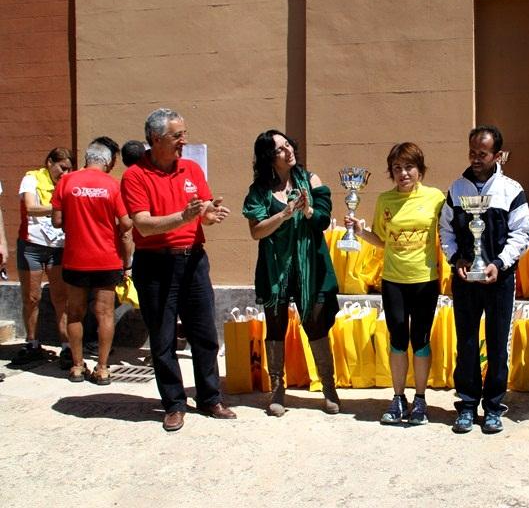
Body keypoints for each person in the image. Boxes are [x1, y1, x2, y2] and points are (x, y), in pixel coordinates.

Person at [122, 108, 235, 432]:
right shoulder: (135, 176)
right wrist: (183, 217)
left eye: (184, 134)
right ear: (156, 139)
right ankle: (173, 404)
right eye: (177, 135)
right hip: (155, 265)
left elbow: (204, 211)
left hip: (194, 261)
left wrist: (209, 215)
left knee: (205, 334)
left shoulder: (191, 168)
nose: (184, 141)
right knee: (163, 339)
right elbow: (143, 225)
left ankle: (210, 398)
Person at [345, 142, 445, 426]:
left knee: (421, 340)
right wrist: (360, 232)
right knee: (398, 340)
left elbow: (448, 232)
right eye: (397, 168)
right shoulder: (385, 200)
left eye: (409, 167)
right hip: (393, 282)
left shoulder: (436, 198)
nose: (403, 173)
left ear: (420, 170)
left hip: (425, 280)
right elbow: (382, 240)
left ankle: (421, 399)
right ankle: (398, 398)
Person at [439, 125, 529, 434]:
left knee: (497, 344)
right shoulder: (456, 189)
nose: (476, 159)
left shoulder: (511, 190)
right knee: (466, 342)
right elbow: (446, 230)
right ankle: (467, 404)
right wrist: (456, 259)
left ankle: (493, 407)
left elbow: (522, 234)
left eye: (482, 153)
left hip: (499, 281)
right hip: (465, 280)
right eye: (472, 153)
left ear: (498, 155)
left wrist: (499, 264)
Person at [242, 130, 341, 417]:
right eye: (280, 149)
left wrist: (308, 210)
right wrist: (284, 214)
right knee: (275, 328)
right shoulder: (259, 190)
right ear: (269, 157)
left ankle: (329, 387)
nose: (289, 151)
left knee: (315, 325)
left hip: (311, 267)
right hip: (276, 270)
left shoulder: (311, 180)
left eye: (288, 145)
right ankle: (277, 389)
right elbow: (257, 231)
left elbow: (322, 221)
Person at [51, 139, 132, 384]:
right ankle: (103, 368)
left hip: (76, 258)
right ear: (108, 161)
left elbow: (57, 221)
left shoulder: (66, 181)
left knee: (75, 312)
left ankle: (77, 366)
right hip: (107, 258)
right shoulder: (112, 184)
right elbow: (126, 223)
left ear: (87, 158)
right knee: (105, 314)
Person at [11, 147, 73, 367]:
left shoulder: (67, 183)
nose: (65, 173)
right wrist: (58, 208)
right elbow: (30, 207)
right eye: (62, 168)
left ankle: (67, 345)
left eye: (69, 169)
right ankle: (32, 343)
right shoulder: (32, 179)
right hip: (32, 245)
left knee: (61, 297)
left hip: (58, 246)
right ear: (49, 163)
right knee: (32, 297)